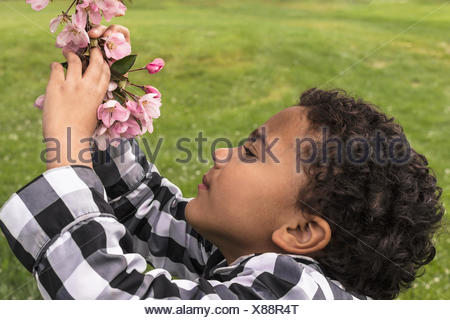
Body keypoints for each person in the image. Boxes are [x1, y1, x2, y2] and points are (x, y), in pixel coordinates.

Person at [0, 25, 444, 300]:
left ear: (302, 232)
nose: (221, 153)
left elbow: (112, 298)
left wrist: (67, 150)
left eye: (251, 152)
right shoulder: (258, 252)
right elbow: (147, 211)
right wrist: (104, 113)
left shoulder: (298, 295)